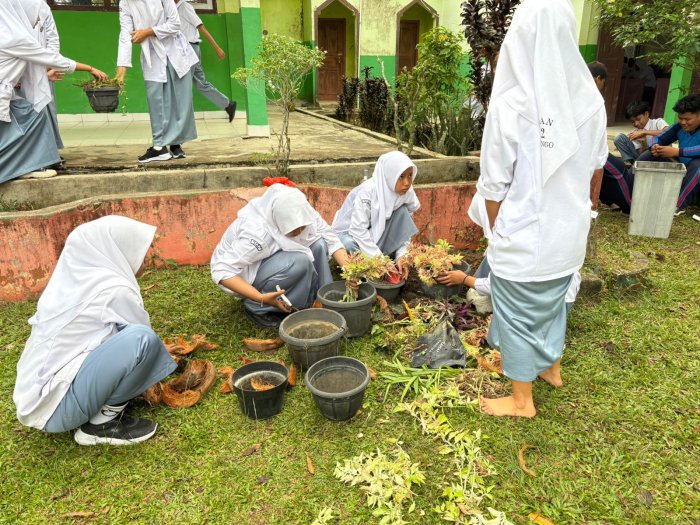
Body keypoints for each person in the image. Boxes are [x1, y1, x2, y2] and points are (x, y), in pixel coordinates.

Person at [473, 0, 608, 418]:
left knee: (515, 315)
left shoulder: (512, 104)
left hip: (525, 236)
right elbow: (597, 167)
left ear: (521, 37)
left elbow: (493, 185)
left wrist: (497, 233)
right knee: (553, 306)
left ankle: (521, 401)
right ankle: (552, 368)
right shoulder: (590, 101)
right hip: (569, 235)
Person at [13, 216, 177, 446]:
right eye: (141, 248)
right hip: (58, 409)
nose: (149, 256)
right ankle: (100, 426)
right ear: (117, 249)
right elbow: (144, 345)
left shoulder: (72, 285)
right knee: (142, 339)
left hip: (38, 403)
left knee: (134, 338)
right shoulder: (113, 290)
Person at [211, 184, 350, 328]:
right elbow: (221, 270)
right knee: (299, 262)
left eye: (302, 226)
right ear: (278, 223)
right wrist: (260, 297)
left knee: (319, 244)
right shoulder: (256, 234)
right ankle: (258, 307)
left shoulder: (301, 210)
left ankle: (323, 298)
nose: (300, 231)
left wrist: (350, 272)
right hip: (247, 273)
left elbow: (331, 240)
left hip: (273, 257)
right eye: (293, 229)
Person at [0, 0, 108, 184]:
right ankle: (19, 166)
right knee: (29, 120)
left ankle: (26, 165)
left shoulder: (6, 33)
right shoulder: (16, 39)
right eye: (35, 16)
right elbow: (53, 59)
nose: (37, 21)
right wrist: (90, 68)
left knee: (29, 115)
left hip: (9, 95)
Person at [116, 0, 199, 163]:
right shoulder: (125, 3)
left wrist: (148, 32)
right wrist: (121, 68)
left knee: (178, 100)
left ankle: (174, 144)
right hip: (152, 54)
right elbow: (125, 34)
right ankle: (160, 146)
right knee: (156, 99)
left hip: (175, 50)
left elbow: (175, 24)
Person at [332, 151, 420, 280]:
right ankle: (364, 273)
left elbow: (404, 228)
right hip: (352, 234)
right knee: (348, 245)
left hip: (375, 236)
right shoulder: (367, 192)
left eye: (410, 175)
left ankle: (378, 262)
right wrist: (381, 262)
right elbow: (358, 230)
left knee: (403, 212)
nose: (407, 182)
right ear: (390, 176)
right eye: (401, 176)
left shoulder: (406, 192)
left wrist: (402, 256)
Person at [175, 0, 237, 122]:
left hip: (189, 49)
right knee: (201, 84)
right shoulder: (174, 8)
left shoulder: (184, 7)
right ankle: (228, 105)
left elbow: (201, 27)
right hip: (188, 49)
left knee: (183, 84)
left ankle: (183, 118)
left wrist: (217, 48)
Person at [587, 61, 635, 214]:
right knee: (618, 170)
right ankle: (631, 207)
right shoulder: (593, 99)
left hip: (588, 150)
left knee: (617, 169)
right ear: (598, 79)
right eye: (603, 82)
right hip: (590, 151)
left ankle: (612, 200)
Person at [639, 94, 700, 209]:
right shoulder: (679, 127)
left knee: (698, 164)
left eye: (687, 119)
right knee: (651, 153)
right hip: (683, 169)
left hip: (696, 173)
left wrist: (678, 152)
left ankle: (678, 205)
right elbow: (658, 138)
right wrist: (654, 146)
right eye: (680, 118)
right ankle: (631, 189)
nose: (683, 122)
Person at [35, 0, 64, 157]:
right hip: (21, 69)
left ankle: (50, 151)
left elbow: (52, 38)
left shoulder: (43, 6)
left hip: (45, 67)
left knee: (47, 107)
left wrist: (50, 63)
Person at [613, 100, 669, 165]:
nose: (636, 123)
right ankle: (630, 164)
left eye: (638, 119)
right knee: (619, 138)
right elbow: (641, 155)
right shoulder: (636, 133)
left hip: (661, 158)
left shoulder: (658, 122)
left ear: (646, 114)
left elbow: (668, 133)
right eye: (632, 121)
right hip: (644, 161)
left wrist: (644, 132)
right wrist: (644, 141)